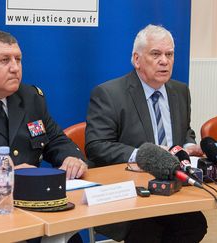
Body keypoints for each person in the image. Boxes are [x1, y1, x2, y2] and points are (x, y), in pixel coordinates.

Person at [85, 24, 207, 243]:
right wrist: (142, 155)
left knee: (195, 225)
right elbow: (97, 145)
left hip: (174, 187)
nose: (164, 61)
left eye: (169, 54)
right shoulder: (109, 94)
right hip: (132, 191)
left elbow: (185, 132)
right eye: (156, 54)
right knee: (149, 232)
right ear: (137, 59)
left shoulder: (179, 91)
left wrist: (189, 147)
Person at [0, 30, 88, 186]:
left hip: (31, 195)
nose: (15, 68)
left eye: (18, 59)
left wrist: (71, 158)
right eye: (4, 60)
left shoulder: (30, 97)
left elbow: (55, 140)